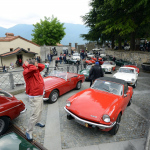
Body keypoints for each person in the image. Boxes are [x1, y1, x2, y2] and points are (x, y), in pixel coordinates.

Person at [22, 59, 45, 141]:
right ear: (31, 66)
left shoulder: (35, 69)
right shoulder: (27, 71)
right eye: (35, 65)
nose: (37, 66)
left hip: (40, 94)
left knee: (40, 110)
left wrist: (36, 64)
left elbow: (43, 66)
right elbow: (33, 68)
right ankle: (28, 131)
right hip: (34, 96)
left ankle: (37, 122)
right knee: (34, 114)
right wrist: (28, 65)